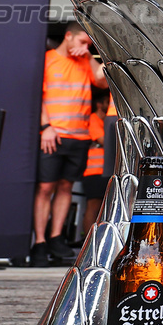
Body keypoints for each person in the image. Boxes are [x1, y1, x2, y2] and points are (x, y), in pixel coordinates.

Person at [31, 22, 106, 267]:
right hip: (54, 135)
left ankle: (55, 238)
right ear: (68, 37)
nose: (85, 47)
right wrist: (45, 127)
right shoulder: (48, 60)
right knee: (45, 188)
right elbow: (38, 96)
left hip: (79, 137)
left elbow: (103, 81)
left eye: (89, 44)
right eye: (82, 42)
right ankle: (40, 242)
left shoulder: (85, 61)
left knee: (65, 187)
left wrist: (89, 56)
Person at [80, 93, 111, 236]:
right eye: (107, 102)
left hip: (104, 171)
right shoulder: (94, 119)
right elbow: (104, 140)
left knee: (103, 209)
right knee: (93, 206)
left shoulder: (105, 121)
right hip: (94, 172)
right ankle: (87, 240)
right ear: (99, 104)